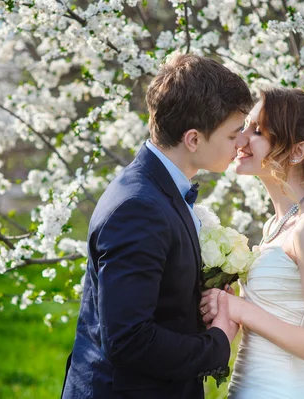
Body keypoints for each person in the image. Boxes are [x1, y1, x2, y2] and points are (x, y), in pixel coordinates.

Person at [61, 54, 254, 399]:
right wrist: (218, 341)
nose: (241, 143)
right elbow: (129, 339)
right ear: (193, 139)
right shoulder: (137, 207)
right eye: (233, 133)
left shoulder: (157, 189)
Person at [200, 87, 304, 398]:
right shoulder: (277, 224)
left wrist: (242, 310)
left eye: (257, 131)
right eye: (245, 127)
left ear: (297, 152)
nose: (241, 139)